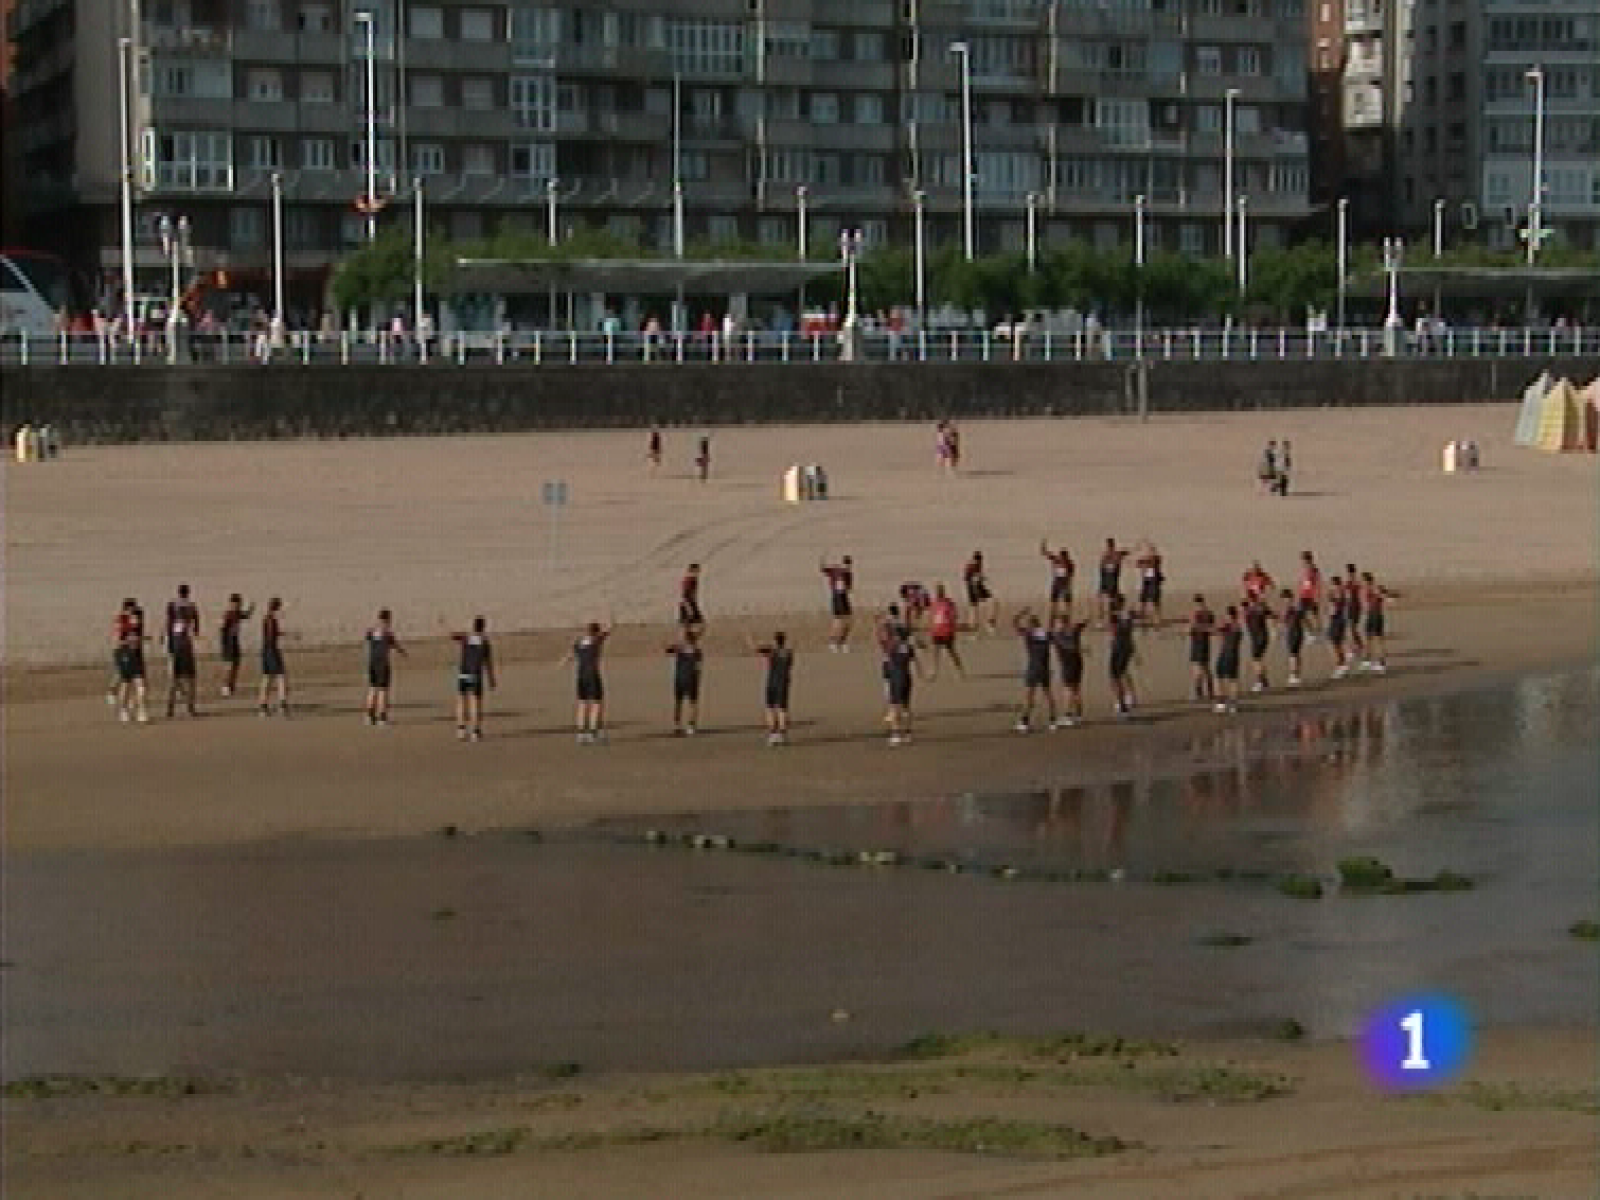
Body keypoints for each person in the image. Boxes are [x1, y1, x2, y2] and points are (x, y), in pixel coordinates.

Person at [562, 620, 613, 743]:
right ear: (597, 631)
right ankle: (593, 733)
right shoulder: (596, 640)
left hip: (581, 675)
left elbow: (570, 654)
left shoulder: (579, 642)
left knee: (582, 703)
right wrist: (611, 621)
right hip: (592, 675)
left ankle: (581, 733)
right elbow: (608, 631)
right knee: (596, 703)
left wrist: (563, 662)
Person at [451, 616, 495, 741]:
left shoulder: (467, 637)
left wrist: (444, 625)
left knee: (461, 700)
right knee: (475, 702)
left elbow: (452, 635)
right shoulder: (484, 642)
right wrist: (491, 678)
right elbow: (488, 663)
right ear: (483, 627)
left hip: (463, 672)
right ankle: (475, 731)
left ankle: (461, 729)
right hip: (475, 674)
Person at [1012, 609, 1057, 733]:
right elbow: (1053, 627)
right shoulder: (1046, 634)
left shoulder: (1029, 634)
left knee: (1029, 697)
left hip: (1033, 668)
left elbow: (1014, 623)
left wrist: (1021, 613)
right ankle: (1052, 721)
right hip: (1045, 669)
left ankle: (1024, 722)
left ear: (1031, 624)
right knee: (1048, 694)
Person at [164, 583, 201, 719]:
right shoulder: (191, 607)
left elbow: (168, 625)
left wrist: (168, 644)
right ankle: (190, 708)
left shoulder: (172, 605)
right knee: (190, 679)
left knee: (174, 679)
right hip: (186, 646)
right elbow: (196, 626)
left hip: (176, 645)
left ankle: (170, 708)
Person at [364, 608, 406, 726]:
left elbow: (368, 643)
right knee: (383, 690)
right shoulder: (387, 633)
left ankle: (369, 716)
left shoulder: (371, 631)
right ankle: (382, 717)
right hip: (382, 663)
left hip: (372, 662)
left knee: (372, 689)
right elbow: (395, 645)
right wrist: (403, 652)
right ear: (388, 619)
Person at [751, 632, 794, 745]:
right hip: (783, 683)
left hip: (772, 683)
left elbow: (756, 648)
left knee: (770, 708)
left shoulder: (772, 651)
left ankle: (773, 733)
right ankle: (782, 734)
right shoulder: (788, 652)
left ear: (775, 641)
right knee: (782, 708)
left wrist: (750, 638)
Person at [881, 624, 921, 746]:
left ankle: (896, 734)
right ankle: (908, 734)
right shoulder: (909, 647)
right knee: (906, 707)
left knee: (894, 707)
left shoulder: (892, 646)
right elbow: (916, 662)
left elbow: (887, 663)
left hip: (896, 678)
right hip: (907, 677)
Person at [111, 598, 149, 724]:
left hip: (136, 654)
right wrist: (128, 641)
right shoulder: (121, 620)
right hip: (124, 653)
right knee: (126, 684)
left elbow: (138, 636)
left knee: (141, 684)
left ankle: (141, 711)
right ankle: (123, 710)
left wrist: (142, 639)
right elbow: (117, 640)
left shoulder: (138, 619)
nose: (134, 613)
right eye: (131, 610)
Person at [1051, 613, 1089, 727]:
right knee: (1076, 689)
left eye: (1057, 623)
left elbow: (1070, 646)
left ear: (1062, 623)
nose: (1056, 625)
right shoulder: (1075, 629)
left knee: (1068, 689)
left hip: (1068, 664)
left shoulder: (1059, 635)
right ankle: (1079, 715)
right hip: (1078, 662)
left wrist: (1082, 649)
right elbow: (1084, 622)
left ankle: (1067, 716)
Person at [665, 628, 703, 736]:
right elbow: (699, 667)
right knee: (692, 703)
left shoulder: (681, 648)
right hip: (690, 678)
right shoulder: (696, 651)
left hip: (681, 679)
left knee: (679, 703)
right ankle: (690, 726)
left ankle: (677, 725)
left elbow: (668, 650)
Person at [1359, 572, 1398, 672]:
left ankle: (1382, 663)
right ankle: (1367, 660)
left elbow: (1383, 595)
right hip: (1370, 615)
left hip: (1376, 615)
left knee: (1379, 640)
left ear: (1367, 580)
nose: (1361, 582)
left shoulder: (1374, 588)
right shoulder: (1366, 588)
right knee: (1368, 637)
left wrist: (1388, 598)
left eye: (1362, 580)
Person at [1106, 595, 1138, 716]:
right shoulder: (1127, 614)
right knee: (1123, 672)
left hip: (1119, 647)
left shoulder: (1115, 616)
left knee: (1115, 677)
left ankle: (1122, 702)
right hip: (1127, 646)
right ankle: (1130, 697)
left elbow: (1114, 631)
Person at [258, 597, 289, 717]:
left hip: (265, 650)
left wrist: (285, 634)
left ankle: (263, 706)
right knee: (281, 676)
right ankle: (282, 704)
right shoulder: (271, 619)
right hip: (271, 650)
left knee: (267, 677)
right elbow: (271, 636)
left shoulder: (267, 618)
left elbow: (272, 634)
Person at [926, 584, 965, 681]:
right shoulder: (934, 603)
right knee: (935, 652)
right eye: (937, 591)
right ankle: (933, 672)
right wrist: (931, 629)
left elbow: (954, 616)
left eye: (940, 591)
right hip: (937, 631)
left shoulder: (949, 603)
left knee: (952, 652)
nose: (938, 593)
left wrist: (952, 628)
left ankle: (960, 670)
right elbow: (931, 617)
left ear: (943, 591)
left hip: (946, 630)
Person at [218, 593, 254, 697]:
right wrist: (225, 645)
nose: (239, 605)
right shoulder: (228, 614)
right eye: (237, 603)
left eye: (240, 604)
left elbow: (246, 615)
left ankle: (231, 685)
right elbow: (222, 630)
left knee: (236, 665)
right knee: (229, 666)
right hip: (228, 643)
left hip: (235, 642)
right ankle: (225, 686)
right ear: (232, 603)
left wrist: (251, 608)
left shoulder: (237, 613)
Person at [820, 555, 854, 651]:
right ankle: (833, 642)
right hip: (837, 596)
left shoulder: (848, 574)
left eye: (849, 564)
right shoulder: (836, 569)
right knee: (838, 620)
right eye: (846, 564)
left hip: (844, 596)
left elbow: (849, 587)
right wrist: (823, 560)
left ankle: (842, 642)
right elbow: (823, 569)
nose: (847, 566)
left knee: (848, 620)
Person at [1244, 590, 1275, 692]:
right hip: (1260, 637)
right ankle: (1264, 681)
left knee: (1256, 660)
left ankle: (1260, 681)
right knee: (1258, 659)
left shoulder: (1254, 608)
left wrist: (1273, 630)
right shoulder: (1258, 607)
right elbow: (1271, 616)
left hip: (1258, 637)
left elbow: (1270, 616)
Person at [1214, 605, 1244, 713]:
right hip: (1234, 655)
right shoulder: (1238, 627)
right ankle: (1233, 704)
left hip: (1225, 655)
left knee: (1219, 678)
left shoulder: (1229, 626)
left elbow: (1216, 631)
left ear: (1228, 615)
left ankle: (1221, 703)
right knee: (1233, 679)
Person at [1187, 594, 1216, 702]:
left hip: (1197, 643)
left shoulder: (1195, 614)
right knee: (1206, 668)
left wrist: (1192, 628)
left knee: (1197, 669)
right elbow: (1212, 629)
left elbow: (1190, 629)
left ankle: (1199, 692)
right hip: (1205, 643)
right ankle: (1210, 691)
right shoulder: (1209, 613)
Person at [1039, 539, 1075, 619]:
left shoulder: (1069, 563)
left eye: (1063, 557)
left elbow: (1070, 575)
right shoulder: (1056, 560)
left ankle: (1067, 616)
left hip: (1064, 584)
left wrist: (1066, 583)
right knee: (1054, 603)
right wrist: (1043, 546)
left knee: (1067, 603)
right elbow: (1045, 553)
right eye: (1061, 556)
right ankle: (1054, 615)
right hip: (1058, 583)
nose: (1061, 558)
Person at [963, 550, 997, 634]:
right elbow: (974, 582)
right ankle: (988, 624)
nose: (980, 561)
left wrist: (983, 578)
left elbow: (975, 577)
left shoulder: (975, 565)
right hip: (974, 588)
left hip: (974, 587)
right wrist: (979, 595)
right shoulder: (973, 566)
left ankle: (976, 629)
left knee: (974, 609)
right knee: (991, 603)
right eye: (978, 559)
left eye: (980, 559)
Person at [1096, 538, 1128, 625]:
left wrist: (1121, 554)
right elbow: (1101, 567)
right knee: (1101, 598)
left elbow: (1123, 555)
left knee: (1112, 600)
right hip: (1105, 579)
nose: (1109, 547)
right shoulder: (1105, 555)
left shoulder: (1115, 555)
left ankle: (1113, 618)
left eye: (1110, 545)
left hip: (1112, 580)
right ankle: (1102, 618)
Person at [1279, 589, 1307, 686]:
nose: (1284, 600)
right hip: (1298, 632)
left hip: (1293, 633)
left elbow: (1283, 621)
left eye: (1284, 598)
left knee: (1292, 654)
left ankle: (1293, 675)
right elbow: (1304, 619)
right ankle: (1297, 675)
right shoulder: (1298, 607)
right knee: (1296, 654)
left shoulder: (1289, 608)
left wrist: (1280, 631)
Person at [1325, 575, 1351, 678]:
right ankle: (1342, 665)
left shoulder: (1338, 594)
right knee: (1337, 643)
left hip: (1336, 621)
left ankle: (1341, 666)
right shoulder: (1341, 593)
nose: (1331, 586)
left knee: (1335, 644)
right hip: (1339, 620)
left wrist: (1330, 600)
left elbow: (1333, 610)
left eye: (1331, 584)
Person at [1134, 540, 1165, 625]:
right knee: (1143, 600)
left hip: (1153, 580)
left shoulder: (1155, 558)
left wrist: (1144, 560)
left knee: (1155, 601)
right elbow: (1138, 564)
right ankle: (1143, 618)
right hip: (1147, 580)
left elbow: (1153, 561)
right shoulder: (1147, 559)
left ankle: (1157, 619)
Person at [1342, 562, 1366, 662]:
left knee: (1352, 629)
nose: (1348, 573)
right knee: (1351, 629)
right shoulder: (1350, 582)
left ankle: (1357, 647)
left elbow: (1359, 594)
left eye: (1349, 571)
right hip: (1351, 607)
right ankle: (1358, 647)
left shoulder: (1355, 582)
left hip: (1355, 608)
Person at [1296, 551, 1322, 638]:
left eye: (1303, 559)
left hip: (1308, 596)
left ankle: (1314, 632)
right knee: (1311, 615)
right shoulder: (1306, 569)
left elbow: (1315, 583)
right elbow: (1304, 582)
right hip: (1305, 595)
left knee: (1304, 615)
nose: (1302, 561)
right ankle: (1314, 632)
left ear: (1307, 559)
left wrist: (1316, 595)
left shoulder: (1313, 570)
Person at [678, 563, 705, 634]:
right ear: (692, 570)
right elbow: (685, 594)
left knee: (694, 623)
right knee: (693, 623)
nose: (699, 572)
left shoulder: (692, 579)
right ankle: (689, 638)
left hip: (689, 602)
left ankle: (690, 638)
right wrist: (688, 606)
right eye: (697, 570)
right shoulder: (690, 580)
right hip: (687, 603)